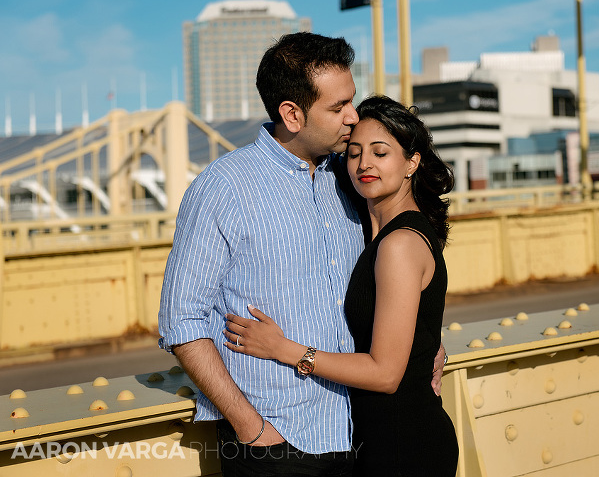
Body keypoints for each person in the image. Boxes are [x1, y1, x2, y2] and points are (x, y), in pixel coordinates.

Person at [157, 33, 445, 477]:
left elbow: (401, 269)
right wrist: (252, 429)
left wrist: (427, 340)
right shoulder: (223, 189)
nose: (353, 117)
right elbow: (182, 321)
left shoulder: (350, 178)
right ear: (291, 114)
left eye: (351, 101)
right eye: (338, 107)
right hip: (278, 443)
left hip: (359, 436)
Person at [224, 95, 459, 476]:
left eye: (380, 153)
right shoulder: (376, 231)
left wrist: (284, 349)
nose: (364, 164)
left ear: (412, 162)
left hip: (404, 447)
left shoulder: (398, 245)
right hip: (379, 440)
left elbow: (385, 374)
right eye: (353, 153)